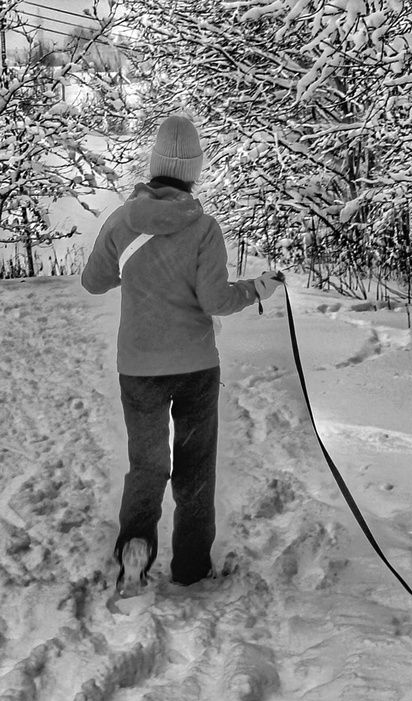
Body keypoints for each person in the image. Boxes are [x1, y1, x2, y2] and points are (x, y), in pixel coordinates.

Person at [82, 114, 283, 596]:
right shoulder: (205, 228)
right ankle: (191, 566)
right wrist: (257, 288)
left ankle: (136, 545)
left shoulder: (123, 221)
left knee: (147, 463)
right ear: (193, 169)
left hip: (139, 369)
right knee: (195, 467)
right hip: (194, 367)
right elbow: (215, 300)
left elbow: (93, 281)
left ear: (155, 164)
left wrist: (132, 271)